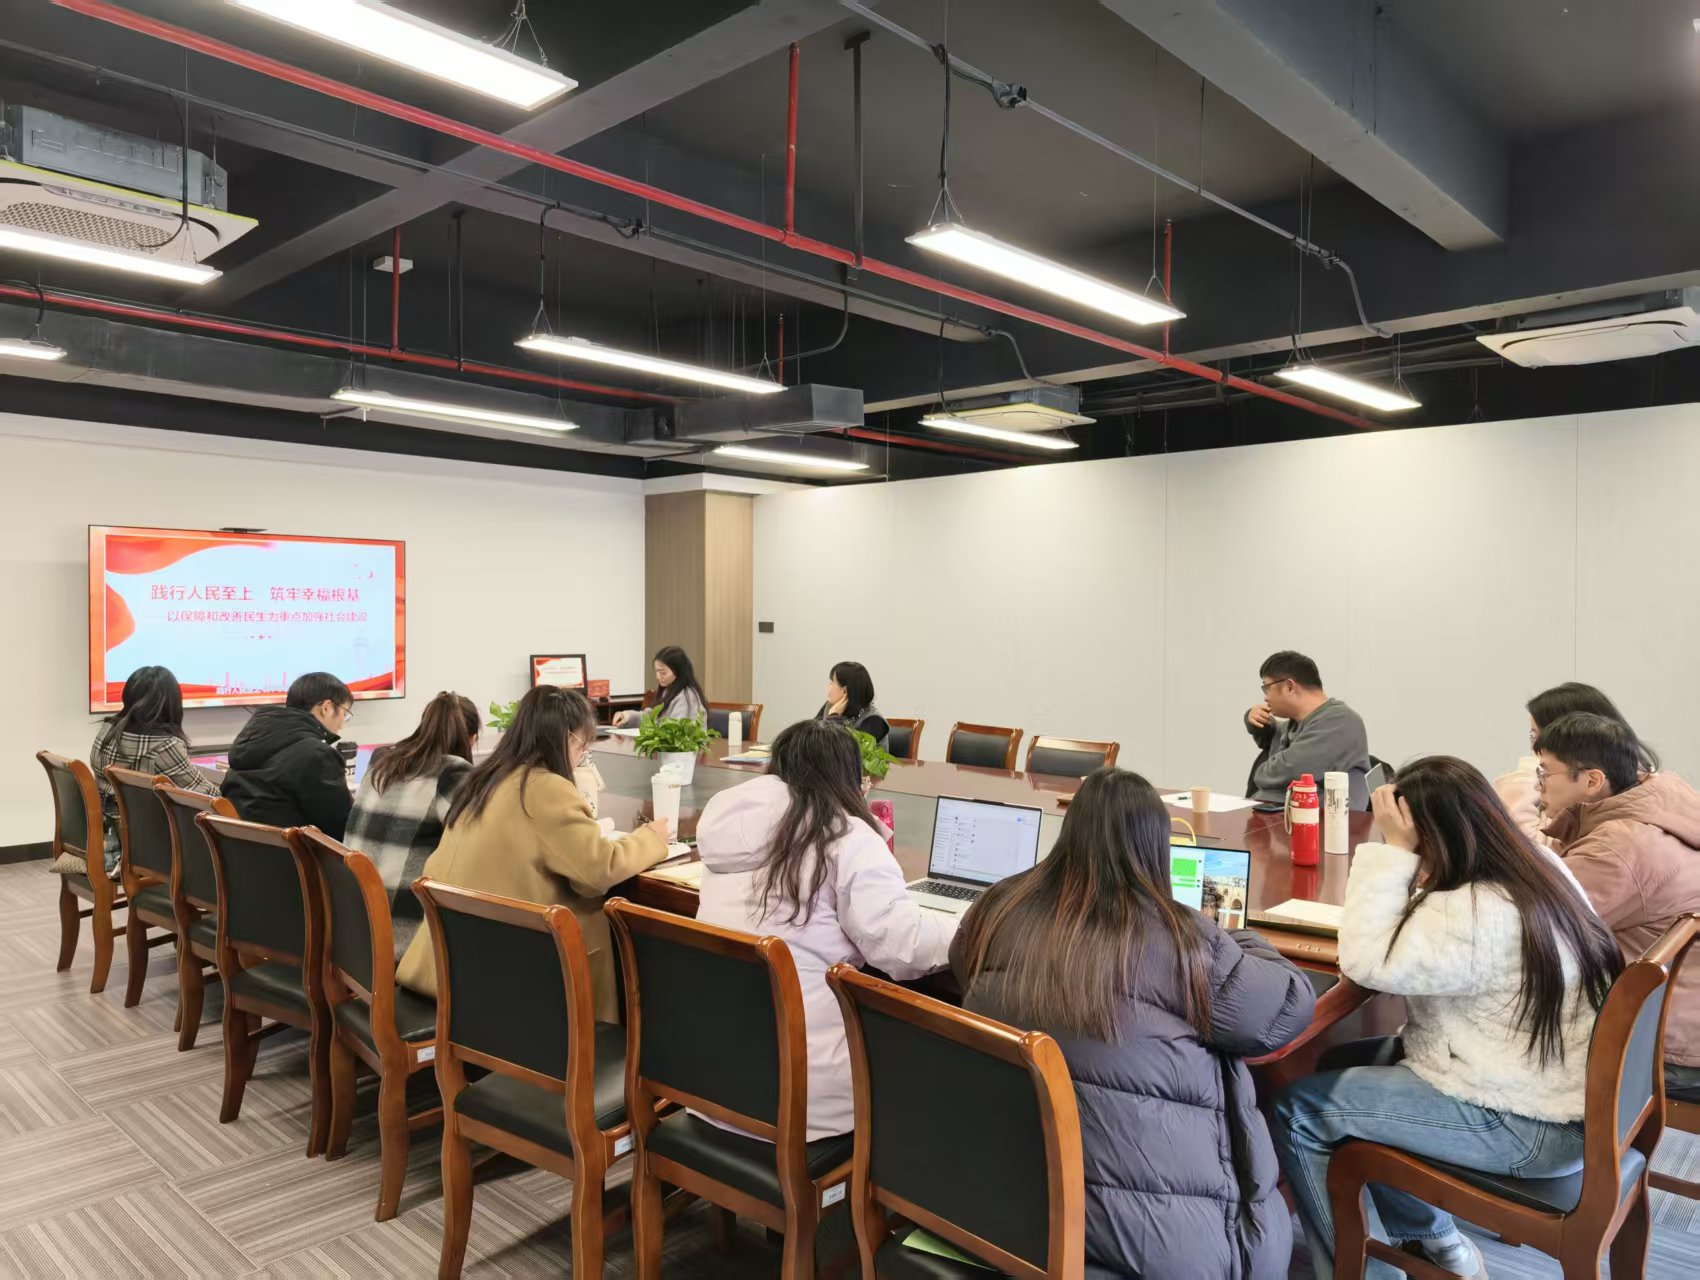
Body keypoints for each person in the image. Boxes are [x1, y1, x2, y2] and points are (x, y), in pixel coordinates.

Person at [953, 767, 1316, 1279]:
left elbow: (962, 965)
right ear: (1156, 847)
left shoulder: (998, 906)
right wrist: (1236, 938)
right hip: (1167, 1241)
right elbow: (1287, 1006)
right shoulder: (1186, 941)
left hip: (1016, 1205)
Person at [1273, 758, 1622, 1280]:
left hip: (1525, 1123)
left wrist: (1393, 855)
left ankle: (1367, 1273)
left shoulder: (1475, 911)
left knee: (1296, 1110)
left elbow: (1366, 962)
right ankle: (1435, 1242)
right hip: (1552, 1091)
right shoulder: (1537, 866)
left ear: (1434, 837)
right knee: (1338, 1063)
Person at [695, 720, 953, 1140]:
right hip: (800, 1096)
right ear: (848, 778)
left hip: (710, 1078)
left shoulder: (727, 832)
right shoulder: (844, 836)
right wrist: (972, 926)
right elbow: (905, 948)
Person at [396, 685, 670, 1021]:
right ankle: (615, 1039)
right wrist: (652, 838)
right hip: (507, 982)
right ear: (567, 738)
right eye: (583, 744)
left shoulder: (486, 777)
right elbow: (599, 869)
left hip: (446, 967)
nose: (582, 754)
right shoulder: (544, 788)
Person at [1535, 712, 1700, 1102]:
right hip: (1684, 1016)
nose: (1536, 784)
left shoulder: (1618, 849)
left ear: (1592, 781)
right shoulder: (1662, 797)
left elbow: (1530, 926)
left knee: (1513, 1042)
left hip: (1669, 1046)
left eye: (1544, 773)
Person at [344, 691, 480, 957]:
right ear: (472, 739)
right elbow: (478, 846)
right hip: (400, 943)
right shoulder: (453, 773)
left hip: (354, 934)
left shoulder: (382, 762)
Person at [82, 665, 219, 876]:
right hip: (150, 846)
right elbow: (205, 796)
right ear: (171, 703)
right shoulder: (164, 745)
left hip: (110, 836)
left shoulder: (107, 731)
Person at [1494, 682, 1652, 841]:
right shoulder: (1631, 782)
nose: (1533, 747)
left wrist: (1522, 781)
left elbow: (1532, 847)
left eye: (1538, 737)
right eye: (1532, 736)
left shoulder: (1613, 826)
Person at [220, 672, 355, 839]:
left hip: (250, 846)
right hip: (293, 851)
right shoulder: (317, 755)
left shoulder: (253, 738)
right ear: (326, 707)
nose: (342, 724)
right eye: (344, 714)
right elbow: (343, 827)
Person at [1244, 650, 1370, 809]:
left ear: (1290, 687)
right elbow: (1275, 734)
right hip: (1291, 815)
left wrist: (1260, 772)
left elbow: (1293, 770)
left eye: (1266, 687)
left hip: (1326, 820)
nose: (1265, 697)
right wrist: (1253, 719)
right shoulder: (1300, 722)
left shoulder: (1340, 720)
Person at [612, 646, 707, 727]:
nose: (658, 677)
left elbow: (677, 732)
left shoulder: (687, 697)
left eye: (663, 673)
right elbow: (652, 717)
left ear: (678, 672)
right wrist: (626, 716)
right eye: (657, 672)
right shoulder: (668, 691)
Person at [812, 660, 890, 750]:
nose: (829, 685)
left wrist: (833, 718)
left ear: (845, 691)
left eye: (832, 682)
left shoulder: (874, 721)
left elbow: (847, 752)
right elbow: (808, 738)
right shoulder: (830, 706)